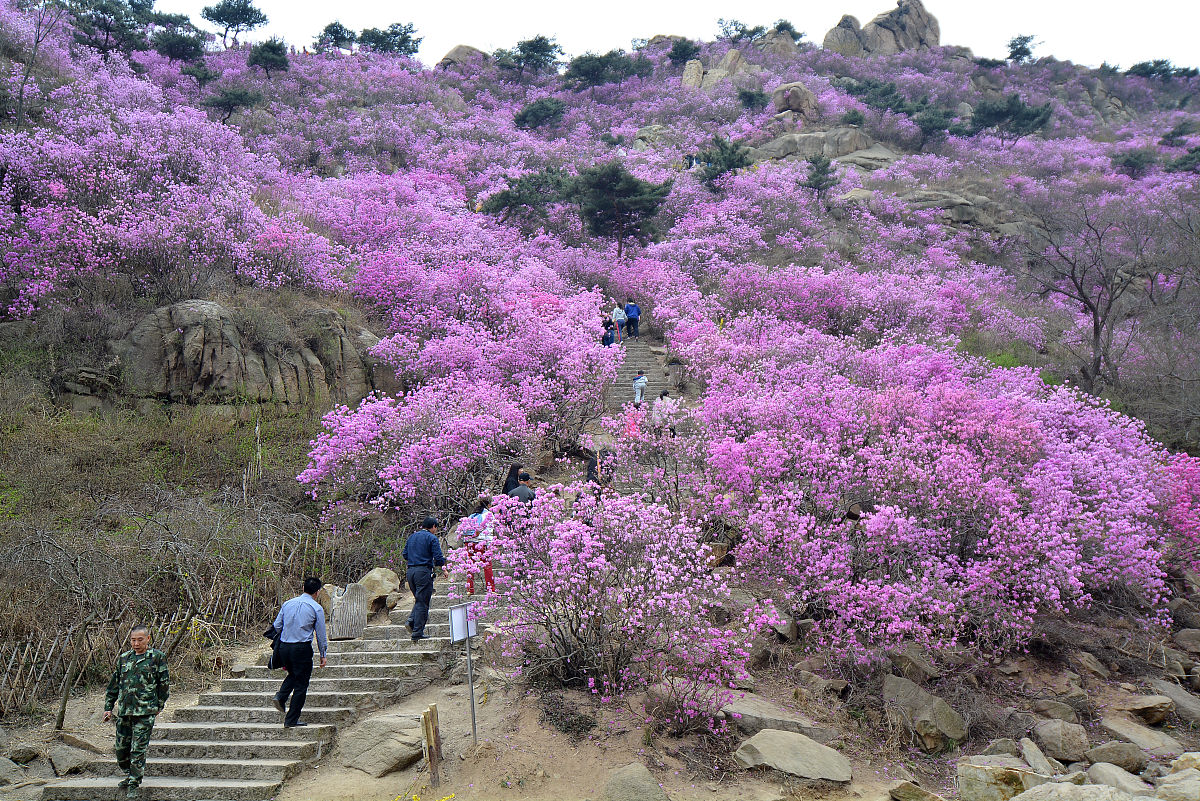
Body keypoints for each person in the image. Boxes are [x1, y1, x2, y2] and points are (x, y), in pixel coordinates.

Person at [104, 625, 170, 798]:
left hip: (145, 711)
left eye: (140, 639)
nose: (136, 643)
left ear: (148, 639)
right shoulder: (124, 659)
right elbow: (114, 685)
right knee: (120, 749)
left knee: (138, 748)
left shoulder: (157, 658)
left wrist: (159, 705)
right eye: (133, 640)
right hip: (125, 711)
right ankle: (129, 773)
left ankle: (134, 782)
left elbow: (164, 684)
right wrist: (108, 707)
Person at [271, 577, 327, 728]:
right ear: (317, 592)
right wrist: (323, 654)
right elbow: (320, 634)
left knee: (294, 674)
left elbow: (276, 626)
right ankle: (291, 720)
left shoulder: (288, 603)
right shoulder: (316, 608)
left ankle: (281, 696)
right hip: (301, 648)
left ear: (303, 588)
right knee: (301, 685)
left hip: (284, 647)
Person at [403, 516, 446, 642]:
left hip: (410, 571)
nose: (435, 531)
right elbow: (438, 556)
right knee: (423, 601)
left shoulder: (412, 537)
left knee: (419, 598)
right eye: (436, 528)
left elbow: (405, 554)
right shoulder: (432, 538)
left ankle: (411, 620)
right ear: (433, 526)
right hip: (423, 571)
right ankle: (417, 631)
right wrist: (442, 566)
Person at [460, 496, 496, 595]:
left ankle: (470, 589)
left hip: (469, 542)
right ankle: (491, 589)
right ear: (488, 505)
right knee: (487, 565)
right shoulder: (489, 514)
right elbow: (489, 530)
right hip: (482, 542)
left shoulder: (473, 514)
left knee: (470, 565)